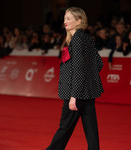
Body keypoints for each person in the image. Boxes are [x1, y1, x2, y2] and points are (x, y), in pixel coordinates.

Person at [46, 7, 104, 150]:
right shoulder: (86, 38)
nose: (65, 21)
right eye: (65, 18)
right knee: (91, 134)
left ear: (79, 21)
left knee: (64, 130)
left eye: (69, 18)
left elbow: (78, 69)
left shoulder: (77, 40)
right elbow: (99, 64)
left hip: (76, 94)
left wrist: (74, 96)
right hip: (88, 94)